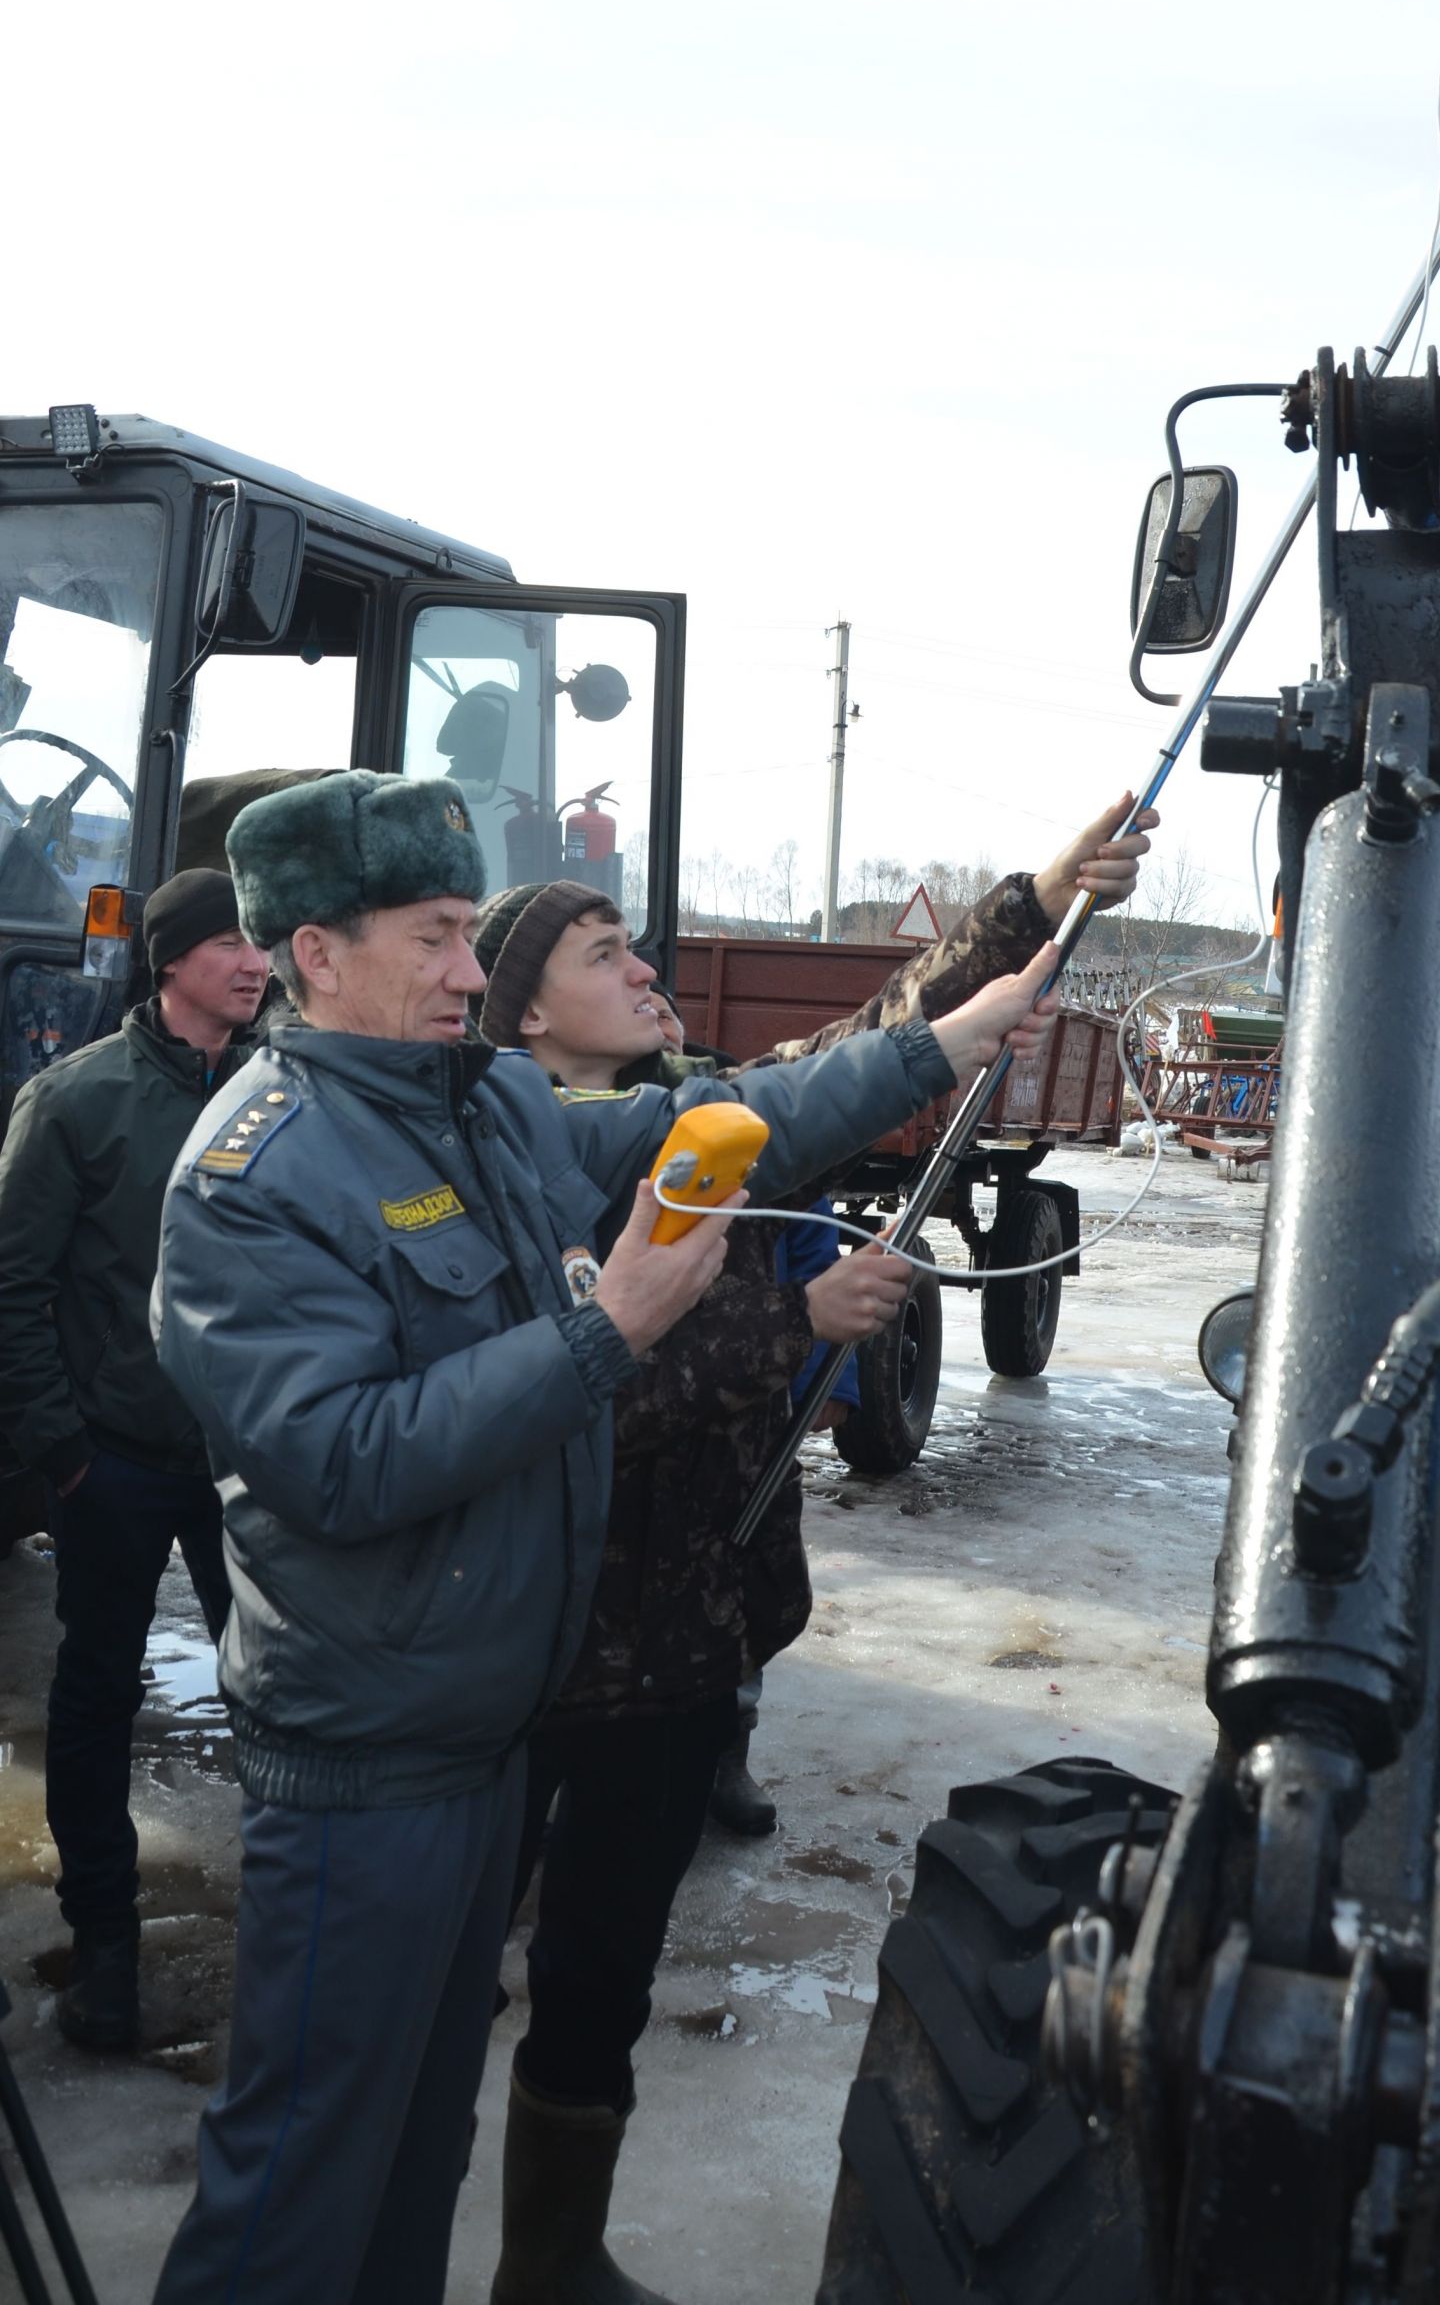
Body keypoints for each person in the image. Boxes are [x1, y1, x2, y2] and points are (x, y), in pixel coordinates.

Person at [148, 768, 1059, 2305]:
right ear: (315, 952)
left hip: (483, 1745)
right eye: (436, 936)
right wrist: (612, 1327)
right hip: (363, 1770)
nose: (464, 968)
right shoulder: (256, 1177)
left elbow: (724, 1124)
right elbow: (346, 1461)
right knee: (294, 2191)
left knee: (415, 2163)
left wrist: (934, 1043)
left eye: (466, 930)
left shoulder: (485, 1103)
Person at [470, 795, 1152, 2304]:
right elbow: (573, 1385)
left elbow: (888, 1029)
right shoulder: (497, 1160)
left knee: (601, 1976)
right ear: (523, 1007)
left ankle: (549, 2257)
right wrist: (799, 1317)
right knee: (451, 1975)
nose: (645, 969)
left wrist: (1036, 896)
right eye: (605, 953)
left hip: (684, 1642)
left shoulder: (705, 1103)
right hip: (527, 1644)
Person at [0, 868, 268, 2051]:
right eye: (232, 947)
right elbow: (14, 1286)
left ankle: (296, 1938)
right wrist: (63, 1451)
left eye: (265, 946)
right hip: (113, 1462)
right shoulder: (76, 1101)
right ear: (171, 964)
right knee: (99, 1695)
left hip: (249, 1462)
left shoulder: (287, 1092)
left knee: (278, 1697)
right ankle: (104, 1944)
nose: (258, 964)